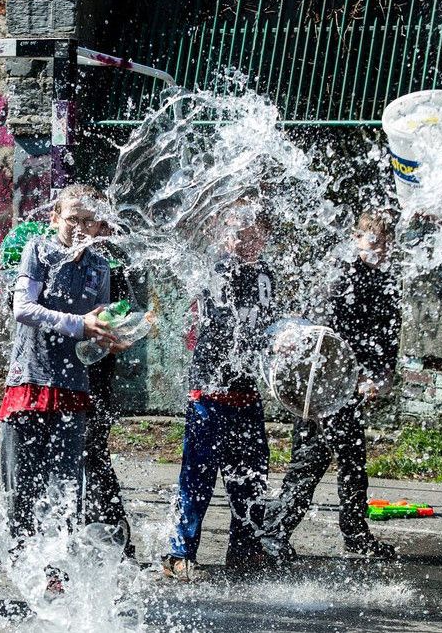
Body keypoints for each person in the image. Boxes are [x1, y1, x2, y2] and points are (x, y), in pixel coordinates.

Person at [260, 211, 401, 562]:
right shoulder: (340, 279)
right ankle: (276, 533)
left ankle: (352, 533)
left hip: (348, 390)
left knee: (347, 462)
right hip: (320, 390)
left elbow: (386, 347)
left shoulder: (386, 285)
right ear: (355, 239)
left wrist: (377, 379)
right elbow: (317, 337)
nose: (380, 249)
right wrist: (326, 385)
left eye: (385, 243)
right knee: (312, 461)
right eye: (373, 242)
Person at [0, 184, 118, 593]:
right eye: (73, 219)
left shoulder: (100, 268)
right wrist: (80, 324)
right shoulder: (38, 250)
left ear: (99, 226)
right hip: (29, 384)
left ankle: (56, 581)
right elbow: (23, 309)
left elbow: (93, 337)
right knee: (22, 490)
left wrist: (107, 337)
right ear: (55, 219)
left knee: (66, 494)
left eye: (89, 221)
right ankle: (21, 578)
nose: (80, 228)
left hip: (73, 390)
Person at [161, 205, 280, 581]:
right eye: (238, 232)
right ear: (224, 235)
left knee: (250, 477)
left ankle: (244, 550)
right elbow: (217, 320)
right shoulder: (213, 270)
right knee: (197, 477)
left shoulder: (266, 276)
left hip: (246, 394)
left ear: (264, 237)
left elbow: (266, 328)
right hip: (209, 392)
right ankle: (179, 552)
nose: (246, 240)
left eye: (254, 233)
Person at [83, 217, 144, 559]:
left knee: (92, 453)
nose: (91, 230)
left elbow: (134, 316)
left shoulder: (112, 267)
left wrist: (122, 335)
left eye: (96, 224)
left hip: (96, 374)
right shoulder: (51, 259)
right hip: (56, 375)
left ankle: (118, 546)